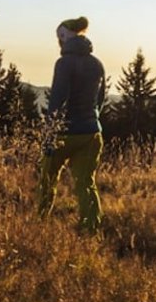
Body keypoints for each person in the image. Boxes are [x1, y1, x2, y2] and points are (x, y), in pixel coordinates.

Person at [37, 16, 106, 233]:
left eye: (59, 38)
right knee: (86, 183)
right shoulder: (97, 64)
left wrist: (49, 135)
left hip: (64, 133)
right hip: (91, 133)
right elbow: (100, 100)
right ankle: (91, 230)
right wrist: (91, 118)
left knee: (47, 178)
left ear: (64, 38)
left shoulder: (63, 64)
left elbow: (58, 99)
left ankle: (39, 224)